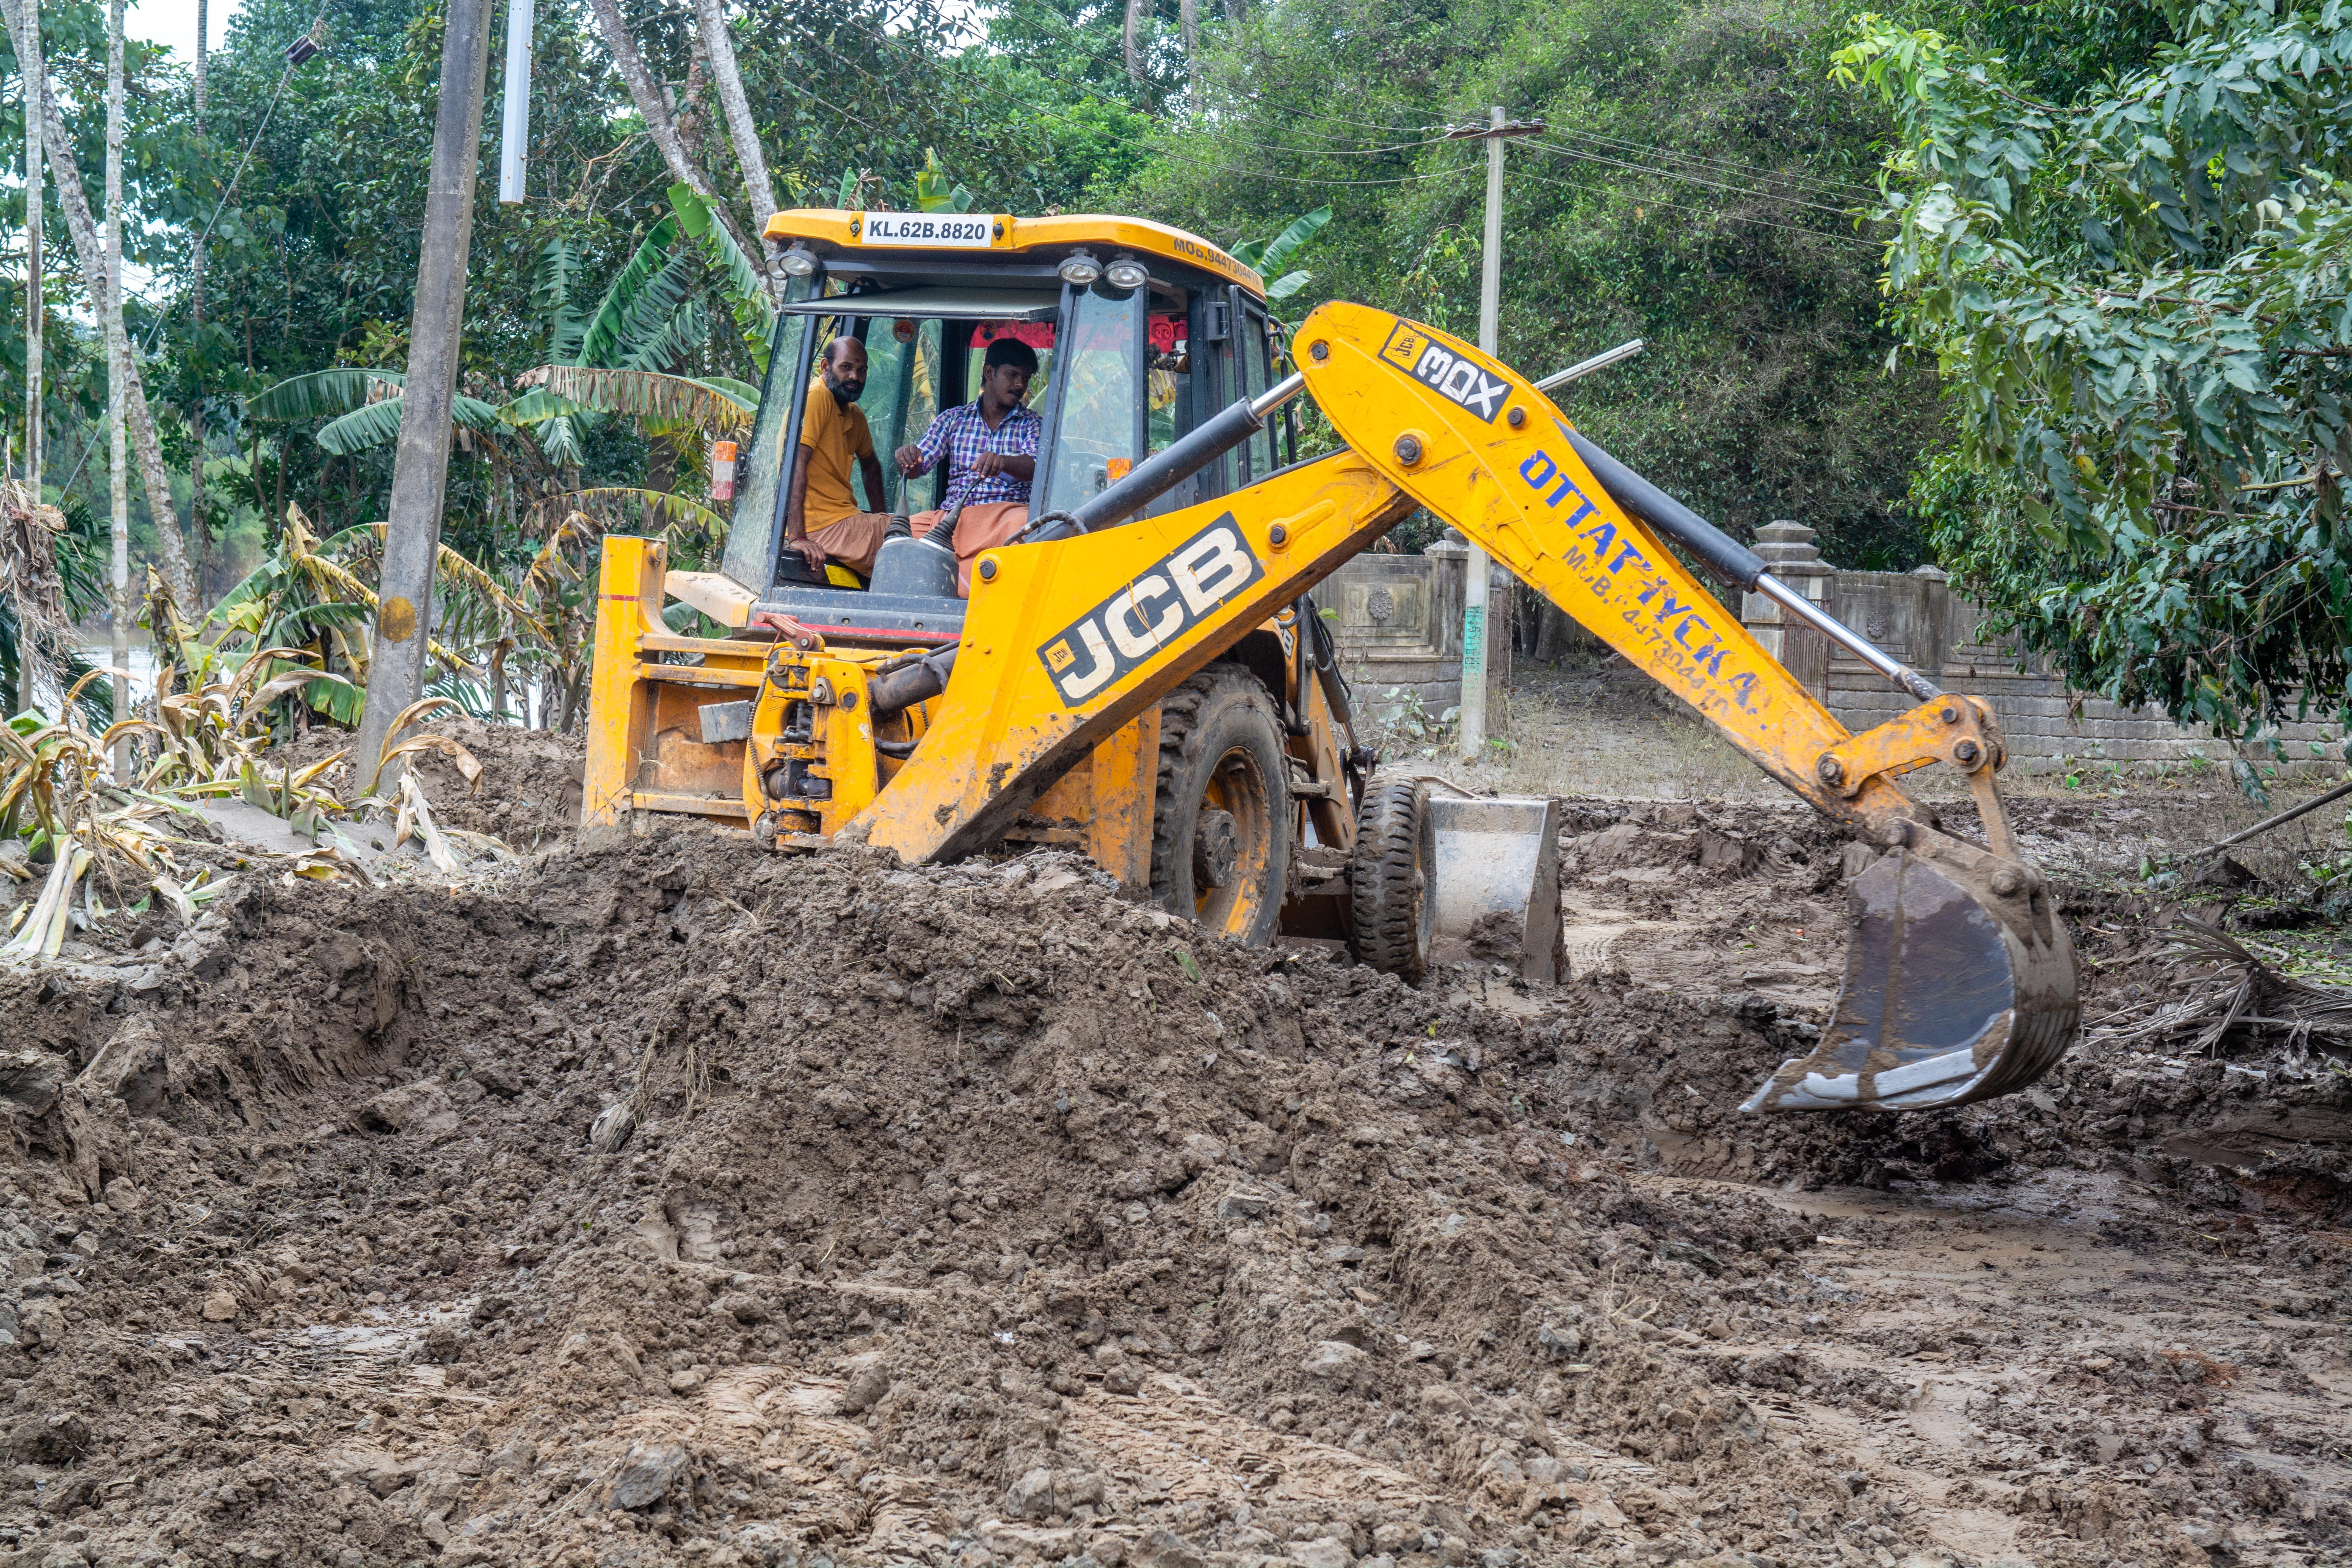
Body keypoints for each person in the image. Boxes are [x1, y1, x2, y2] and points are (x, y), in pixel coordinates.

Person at [894, 337, 1042, 595]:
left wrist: (1003, 462)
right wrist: (908, 459)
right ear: (989, 372)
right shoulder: (953, 419)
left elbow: (1037, 467)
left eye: (1026, 378)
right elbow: (918, 467)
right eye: (1013, 374)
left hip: (1004, 516)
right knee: (897, 536)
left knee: (1028, 524)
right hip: (953, 518)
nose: (1020, 384)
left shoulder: (1031, 424)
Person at [784, 335, 902, 578]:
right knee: (930, 533)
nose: (855, 377)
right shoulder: (817, 397)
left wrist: (880, 516)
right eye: (846, 368)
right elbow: (795, 463)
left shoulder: (854, 415)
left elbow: (871, 466)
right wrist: (797, 537)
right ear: (826, 367)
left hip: (843, 521)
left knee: (906, 535)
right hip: (823, 526)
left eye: (862, 371)